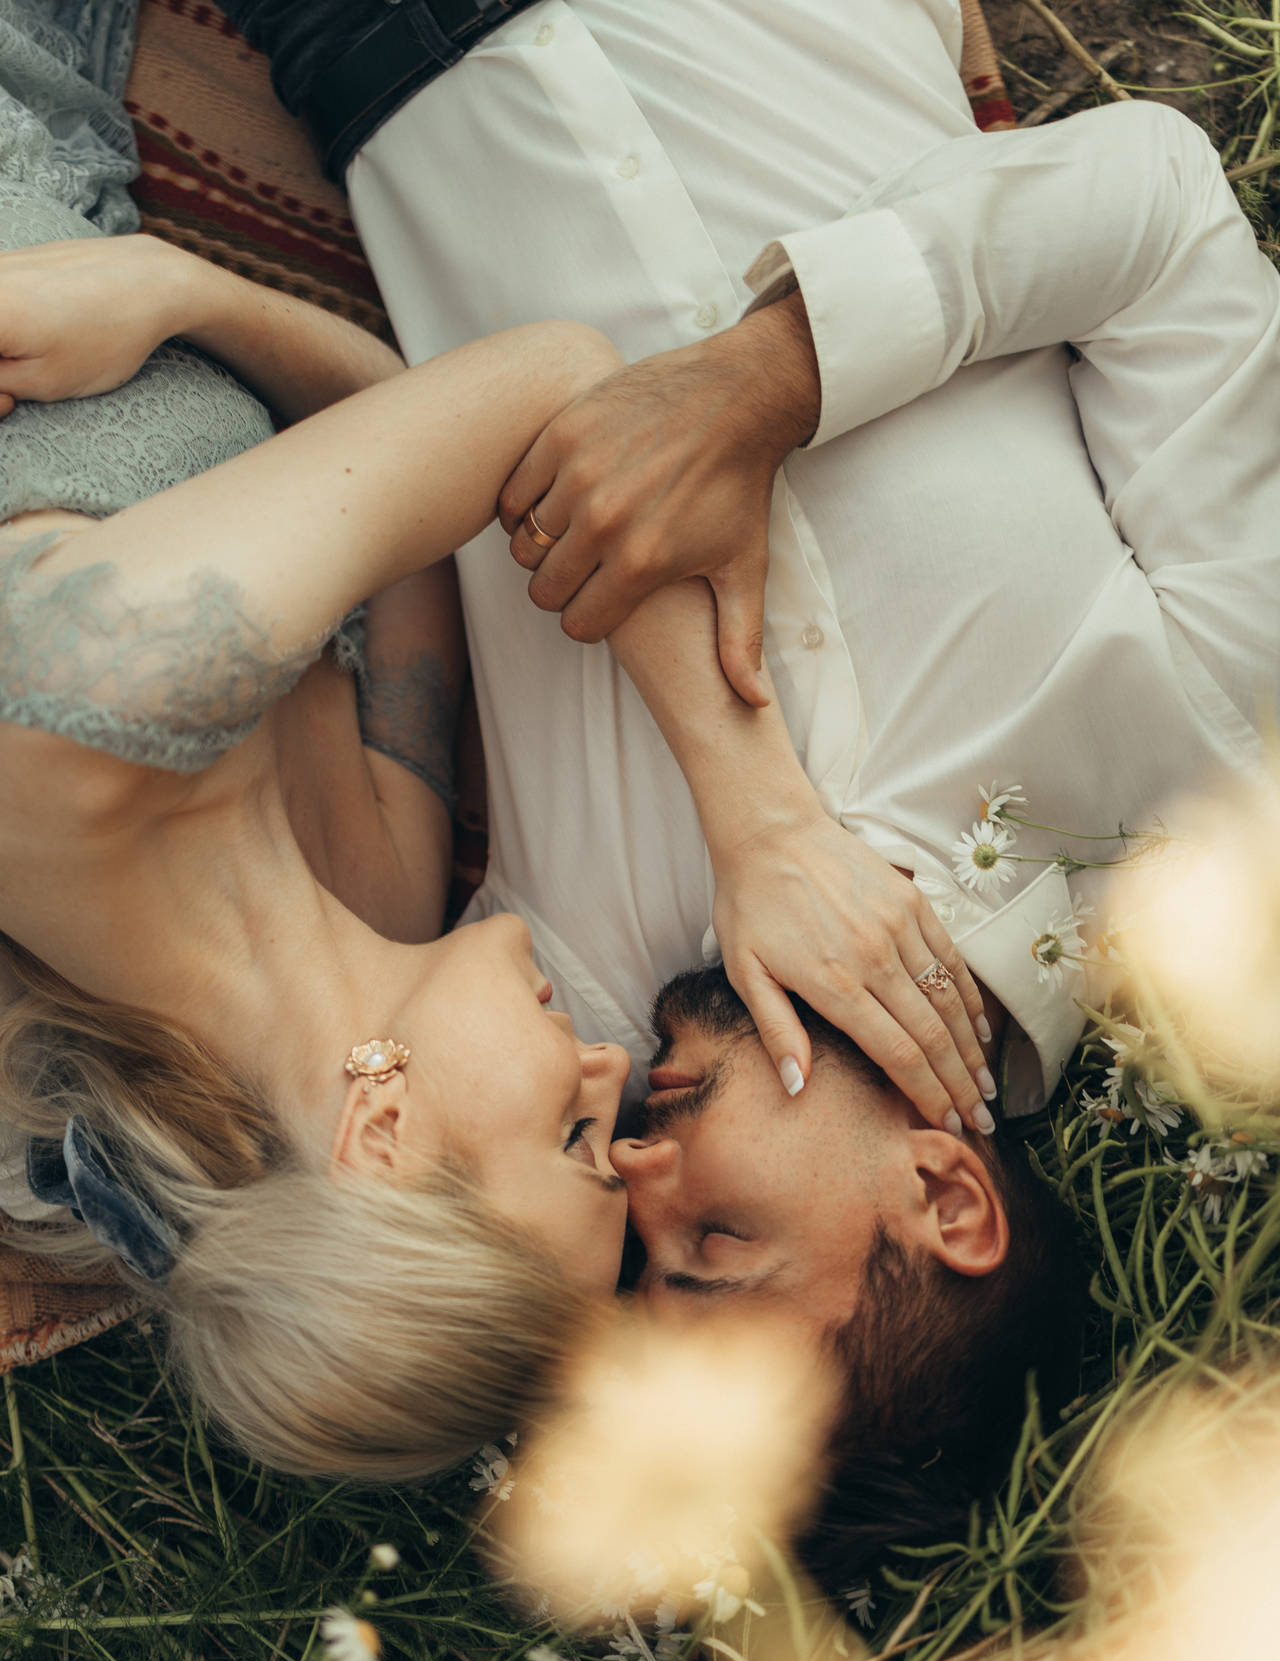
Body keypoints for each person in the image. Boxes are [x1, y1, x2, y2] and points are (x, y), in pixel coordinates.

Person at [225, 0, 1278, 1536]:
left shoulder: (578, 1004)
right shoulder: (1208, 765)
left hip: (382, 52)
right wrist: (769, 378)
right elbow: (1159, 208)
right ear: (946, 1198)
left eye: (648, 1259)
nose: (640, 1173)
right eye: (716, 1239)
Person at [0, 0, 993, 1482]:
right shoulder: (387, 895)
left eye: (574, 1142)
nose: (612, 1071)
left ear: (378, 1134)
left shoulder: (89, 718)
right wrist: (190, 298)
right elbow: (440, 502)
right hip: (74, 129)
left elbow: (548, 392)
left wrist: (755, 819)